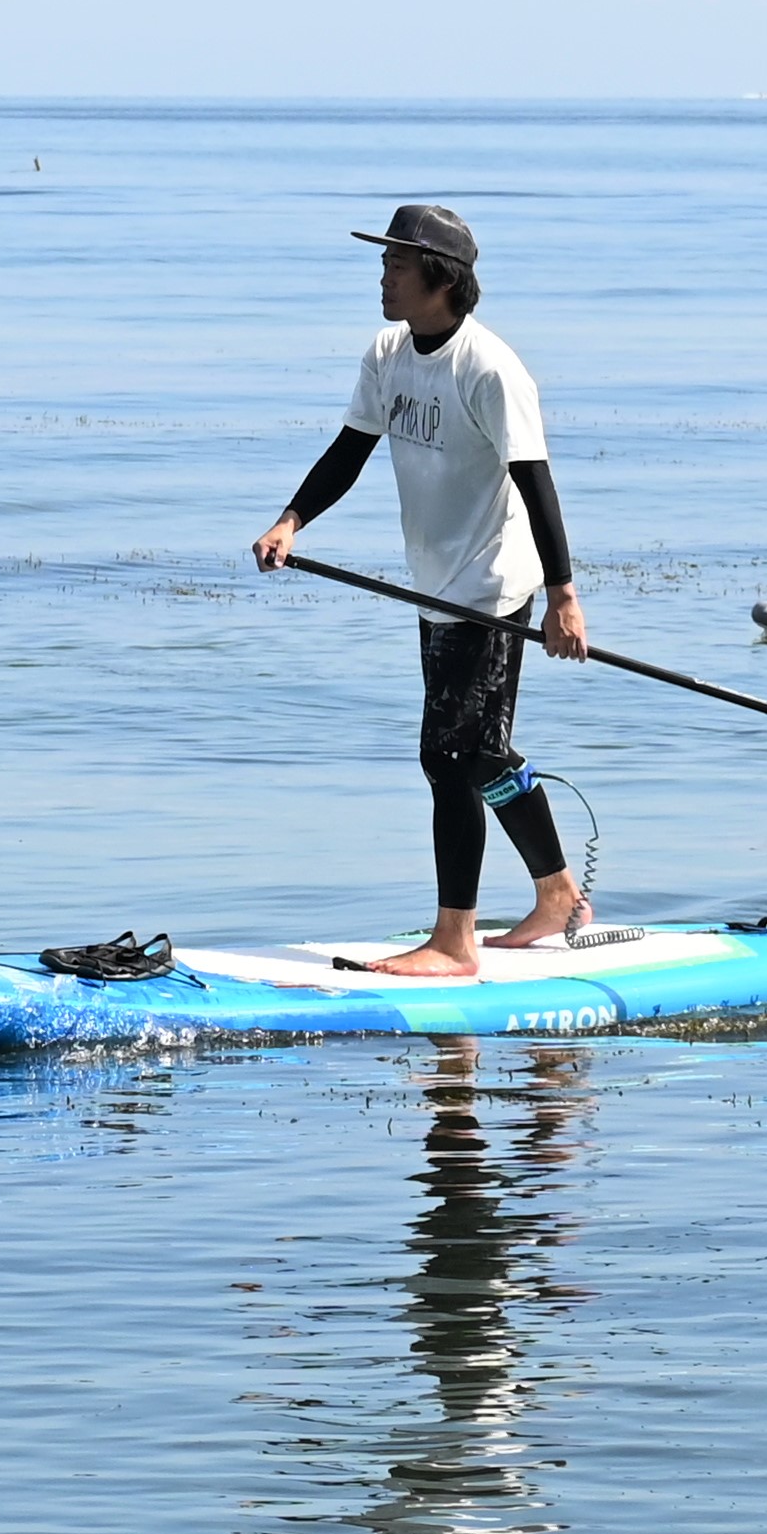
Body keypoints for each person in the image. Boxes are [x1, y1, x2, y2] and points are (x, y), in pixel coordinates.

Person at [251, 204, 600, 976]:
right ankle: (557, 896)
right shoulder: (388, 352)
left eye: (396, 266)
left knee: (448, 756)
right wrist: (292, 520)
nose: (383, 277)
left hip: (491, 583)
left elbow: (535, 483)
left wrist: (562, 595)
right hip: (434, 583)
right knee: (479, 753)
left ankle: (454, 943)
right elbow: (351, 448)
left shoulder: (491, 369)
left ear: (440, 280)